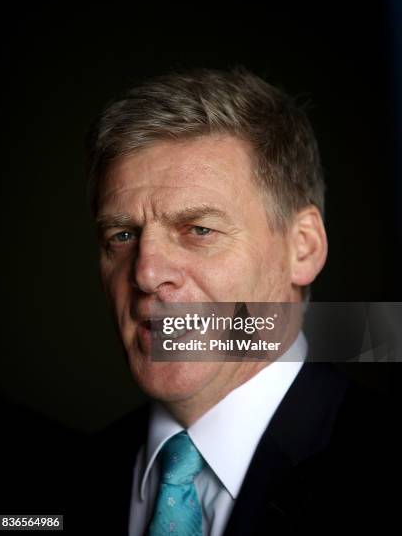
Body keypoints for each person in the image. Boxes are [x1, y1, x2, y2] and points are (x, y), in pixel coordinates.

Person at [78, 69, 392, 535]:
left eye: (199, 230)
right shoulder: (54, 484)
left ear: (302, 248)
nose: (145, 273)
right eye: (122, 236)